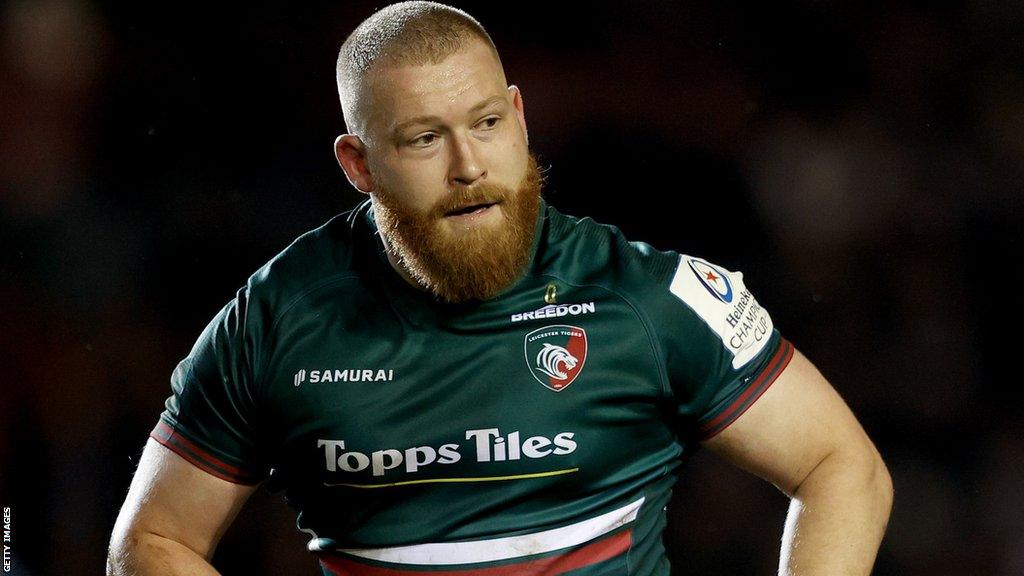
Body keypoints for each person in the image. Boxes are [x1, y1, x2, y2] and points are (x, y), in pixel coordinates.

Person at [107, 2, 893, 575]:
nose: (469, 165)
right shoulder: (276, 319)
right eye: (423, 138)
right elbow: (151, 541)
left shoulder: (648, 299)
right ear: (358, 164)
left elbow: (840, 467)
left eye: (486, 123)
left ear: (519, 116)